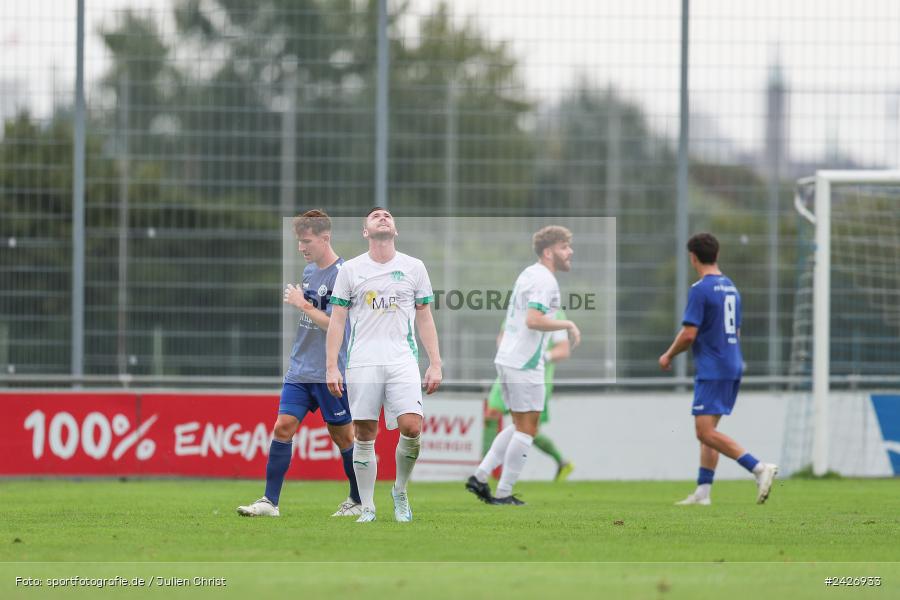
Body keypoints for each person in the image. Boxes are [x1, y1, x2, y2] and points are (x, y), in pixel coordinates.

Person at [237, 209, 361, 518]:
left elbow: (337, 326)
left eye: (306, 241)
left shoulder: (344, 274)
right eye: (299, 241)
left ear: (325, 238)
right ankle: (269, 502)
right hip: (300, 370)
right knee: (283, 427)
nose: (301, 248)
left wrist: (302, 303)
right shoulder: (309, 272)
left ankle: (358, 500)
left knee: (343, 438)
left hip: (331, 371)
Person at [325, 207, 442, 523]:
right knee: (364, 433)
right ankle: (368, 506)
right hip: (362, 361)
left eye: (388, 215)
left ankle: (400, 491)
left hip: (402, 359)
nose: (383, 217)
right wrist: (331, 367)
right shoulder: (350, 270)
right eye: (375, 216)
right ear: (365, 231)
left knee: (411, 426)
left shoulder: (414, 267)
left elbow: (425, 316)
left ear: (395, 230)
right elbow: (337, 320)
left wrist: (435, 363)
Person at [659, 232, 778, 505]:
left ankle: (758, 468)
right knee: (710, 431)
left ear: (692, 257)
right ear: (717, 254)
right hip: (732, 362)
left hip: (713, 367)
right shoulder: (731, 288)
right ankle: (703, 491)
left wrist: (667, 355)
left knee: (704, 431)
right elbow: (736, 329)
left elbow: (689, 334)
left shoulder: (700, 289)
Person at [467, 226, 580, 505]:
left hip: (509, 359)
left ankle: (480, 478)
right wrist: (568, 323)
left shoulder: (529, 273)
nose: (570, 252)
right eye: (565, 247)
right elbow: (533, 320)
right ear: (549, 251)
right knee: (528, 428)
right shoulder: (545, 280)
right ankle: (503, 493)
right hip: (525, 363)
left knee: (520, 424)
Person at [482, 309, 574, 482]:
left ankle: (562, 462)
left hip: (535, 378)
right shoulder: (517, 308)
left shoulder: (556, 315)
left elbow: (563, 350)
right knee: (491, 413)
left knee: (526, 428)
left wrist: (541, 357)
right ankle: (484, 471)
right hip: (509, 372)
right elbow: (503, 336)